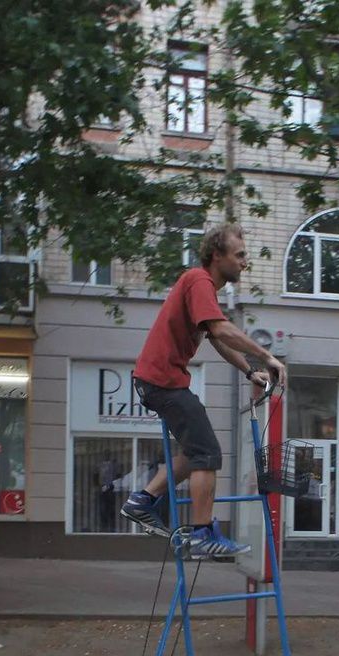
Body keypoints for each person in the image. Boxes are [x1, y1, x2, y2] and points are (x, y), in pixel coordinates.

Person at [121, 222, 287, 559]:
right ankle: (201, 535)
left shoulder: (202, 288)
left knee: (193, 453)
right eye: (239, 255)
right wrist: (266, 355)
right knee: (208, 452)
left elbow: (215, 338)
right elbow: (221, 329)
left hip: (159, 380)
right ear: (216, 255)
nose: (245, 262)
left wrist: (249, 371)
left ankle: (142, 500)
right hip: (162, 380)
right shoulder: (198, 280)